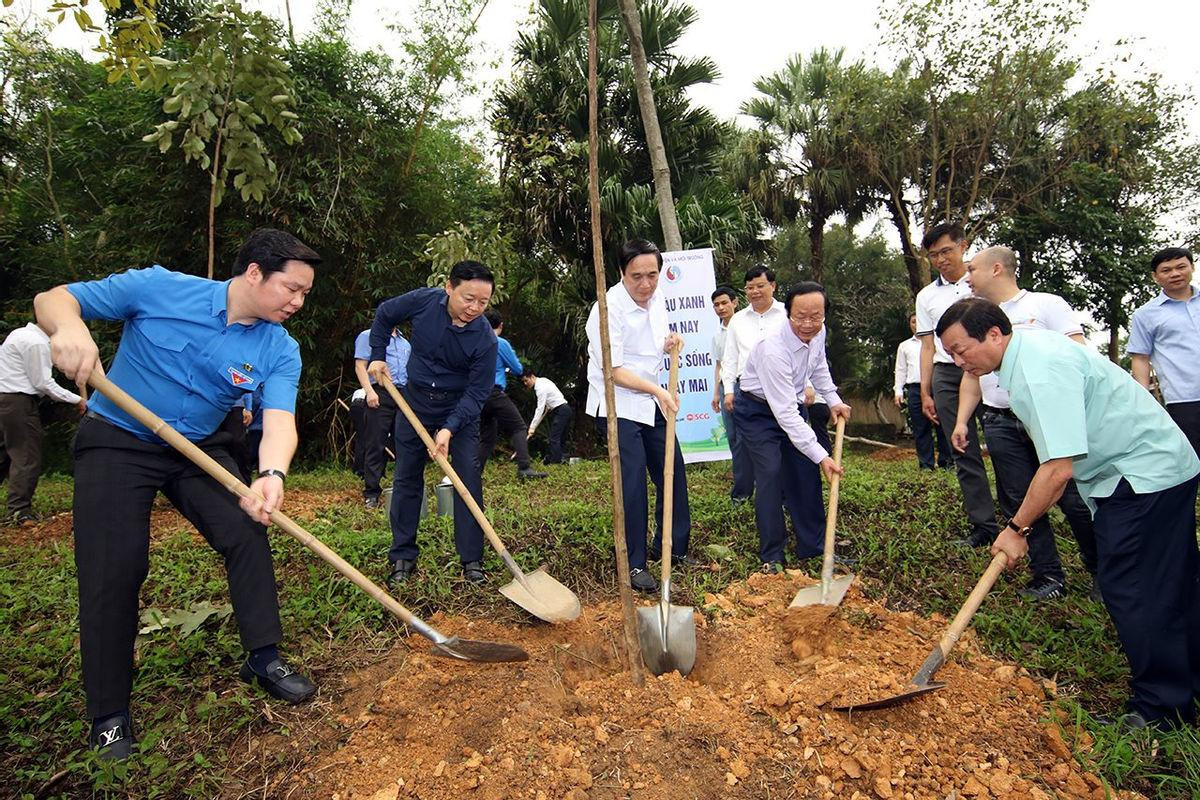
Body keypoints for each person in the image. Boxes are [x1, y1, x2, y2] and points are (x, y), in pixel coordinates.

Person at [33, 227, 321, 760]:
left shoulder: (280, 348)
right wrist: (69, 327)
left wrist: (272, 476)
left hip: (199, 448)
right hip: (118, 440)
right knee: (115, 565)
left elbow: (280, 420)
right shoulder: (160, 288)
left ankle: (263, 655)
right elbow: (53, 299)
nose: (298, 303)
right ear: (254, 272)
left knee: (246, 529)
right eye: (292, 289)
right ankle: (109, 715)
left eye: (305, 293)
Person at [937, 297, 1200, 730]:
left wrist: (1017, 527)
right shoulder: (1028, 355)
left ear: (995, 334)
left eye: (961, 349)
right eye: (949, 354)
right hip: (1157, 470)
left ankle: (1162, 708)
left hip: (1142, 478)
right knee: (1174, 582)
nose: (957, 360)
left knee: (1133, 587)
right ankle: (1185, 684)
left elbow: (1058, 469)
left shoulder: (1038, 370)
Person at [950, 246, 1098, 601]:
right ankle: (1047, 575)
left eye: (972, 269)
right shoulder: (971, 316)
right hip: (1000, 420)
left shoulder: (1045, 305)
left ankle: (1102, 572)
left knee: (1073, 498)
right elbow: (972, 377)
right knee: (1019, 500)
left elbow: (1076, 356)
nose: (966, 276)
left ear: (997, 269)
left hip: (1048, 419)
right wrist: (961, 421)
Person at [368, 261, 498, 587]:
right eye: (469, 298)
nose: (475, 308)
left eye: (483, 303)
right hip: (414, 404)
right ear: (449, 287)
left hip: (459, 411)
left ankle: (472, 560)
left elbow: (478, 392)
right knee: (407, 478)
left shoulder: (485, 339)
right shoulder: (424, 301)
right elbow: (385, 314)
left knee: (467, 479)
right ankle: (402, 556)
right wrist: (377, 354)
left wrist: (449, 427)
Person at [585, 238, 692, 593]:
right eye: (636, 277)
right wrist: (660, 391)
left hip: (651, 400)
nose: (645, 284)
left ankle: (673, 547)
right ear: (621, 273)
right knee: (632, 484)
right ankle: (634, 565)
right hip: (619, 406)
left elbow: (650, 342)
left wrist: (669, 343)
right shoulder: (607, 309)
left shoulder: (656, 298)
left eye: (652, 275)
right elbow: (614, 369)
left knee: (671, 471)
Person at [735, 282, 849, 571]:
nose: (808, 324)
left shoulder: (818, 332)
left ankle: (814, 547)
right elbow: (784, 414)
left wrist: (833, 399)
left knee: (804, 472)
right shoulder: (773, 349)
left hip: (791, 404)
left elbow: (819, 366)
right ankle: (772, 555)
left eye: (816, 316)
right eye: (800, 317)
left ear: (824, 314)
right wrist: (822, 455)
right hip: (757, 411)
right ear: (788, 313)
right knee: (771, 472)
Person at [915, 222, 999, 547]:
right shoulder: (926, 296)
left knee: (1003, 443)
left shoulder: (980, 283)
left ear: (963, 246)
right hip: (948, 375)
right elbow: (926, 346)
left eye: (946, 251)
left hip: (991, 370)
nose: (941, 259)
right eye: (934, 255)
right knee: (963, 448)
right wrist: (926, 389)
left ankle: (1023, 518)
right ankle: (983, 525)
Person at [0, 322, 87, 524]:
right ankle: (19, 511)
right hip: (18, 402)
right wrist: (78, 400)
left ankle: (17, 508)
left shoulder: (19, 333)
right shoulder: (36, 343)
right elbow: (43, 383)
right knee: (27, 455)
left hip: (5, 400)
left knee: (4, 454)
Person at [721, 267, 787, 500]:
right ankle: (746, 493)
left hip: (783, 389)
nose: (755, 292)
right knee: (744, 445)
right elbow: (730, 359)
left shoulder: (787, 314)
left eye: (760, 286)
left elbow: (802, 352)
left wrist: (807, 384)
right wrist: (729, 391)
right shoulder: (737, 320)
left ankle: (786, 496)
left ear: (773, 286)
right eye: (750, 288)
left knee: (787, 443)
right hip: (746, 392)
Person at [1128, 246, 1200, 455]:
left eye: (1181, 267)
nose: (1175, 273)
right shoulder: (1145, 314)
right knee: (1191, 462)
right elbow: (1140, 357)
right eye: (1167, 270)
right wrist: (1143, 398)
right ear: (1156, 277)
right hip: (1184, 400)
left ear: (1192, 268)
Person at [477, 309, 546, 480]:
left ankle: (474, 472)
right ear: (500, 325)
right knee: (519, 427)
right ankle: (524, 467)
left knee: (487, 436)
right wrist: (523, 372)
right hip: (493, 392)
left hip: (476, 395)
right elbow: (516, 368)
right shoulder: (499, 342)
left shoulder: (474, 341)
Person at [354, 323, 411, 508]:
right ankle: (372, 492)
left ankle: (405, 489)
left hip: (403, 394)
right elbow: (360, 366)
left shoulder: (405, 343)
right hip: (381, 392)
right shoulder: (369, 335)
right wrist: (369, 391)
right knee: (375, 443)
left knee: (405, 442)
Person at [894, 312, 952, 469]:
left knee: (943, 425)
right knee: (920, 427)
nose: (916, 324)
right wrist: (898, 390)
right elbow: (900, 369)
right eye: (913, 322)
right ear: (910, 325)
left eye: (919, 321)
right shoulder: (905, 346)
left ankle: (946, 462)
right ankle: (926, 465)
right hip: (914, 389)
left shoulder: (937, 343)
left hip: (937, 386)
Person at [709, 285, 750, 501]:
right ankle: (741, 493)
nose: (721, 308)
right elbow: (720, 365)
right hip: (727, 389)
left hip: (747, 387)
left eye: (724, 303)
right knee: (734, 438)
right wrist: (717, 393)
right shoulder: (717, 335)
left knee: (752, 439)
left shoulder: (746, 325)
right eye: (716, 305)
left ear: (735, 302)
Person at [522, 370, 572, 464]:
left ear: (532, 377)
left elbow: (540, 408)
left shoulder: (539, 388)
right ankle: (562, 459)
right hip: (565, 409)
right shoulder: (544, 380)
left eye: (526, 380)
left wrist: (532, 427)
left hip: (561, 410)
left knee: (554, 438)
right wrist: (549, 406)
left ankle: (556, 462)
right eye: (523, 382)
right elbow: (554, 395)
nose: (525, 383)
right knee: (560, 437)